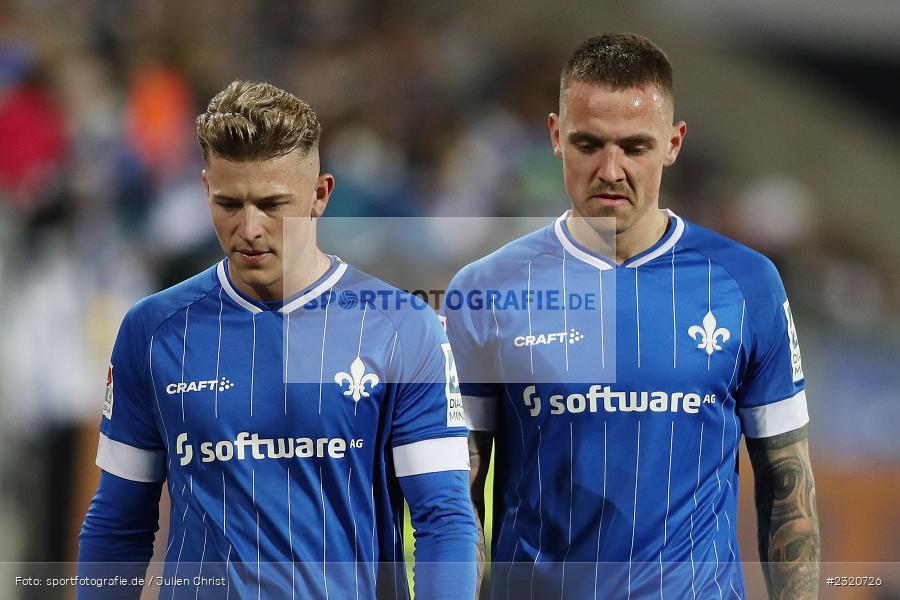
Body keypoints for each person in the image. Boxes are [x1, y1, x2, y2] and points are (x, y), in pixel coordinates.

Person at [442, 33, 819, 599]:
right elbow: (454, 501)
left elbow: (787, 487)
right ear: (554, 136)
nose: (611, 170)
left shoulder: (747, 283)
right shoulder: (486, 290)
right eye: (589, 143)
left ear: (674, 143)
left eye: (635, 147)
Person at [78, 80, 477, 599]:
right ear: (205, 190)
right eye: (229, 203)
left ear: (320, 195)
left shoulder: (402, 327)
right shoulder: (152, 331)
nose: (249, 228)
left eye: (271, 204)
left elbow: (443, 519)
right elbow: (118, 522)